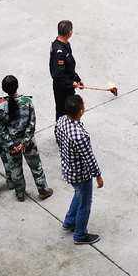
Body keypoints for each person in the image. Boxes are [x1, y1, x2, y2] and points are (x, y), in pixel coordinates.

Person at [55, 94, 103, 246]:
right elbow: (89, 158)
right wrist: (98, 176)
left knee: (78, 195)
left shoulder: (61, 121)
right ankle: (80, 235)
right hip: (81, 174)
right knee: (85, 203)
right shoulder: (79, 136)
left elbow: (58, 138)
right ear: (81, 111)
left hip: (68, 168)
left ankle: (69, 222)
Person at [0, 75, 53, 203]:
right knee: (36, 166)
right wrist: (24, 142)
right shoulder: (27, 102)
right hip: (28, 143)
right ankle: (43, 190)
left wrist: (12, 144)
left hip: (12, 144)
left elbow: (1, 129)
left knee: (16, 169)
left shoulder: (1, 107)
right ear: (17, 86)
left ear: (4, 89)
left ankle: (20, 193)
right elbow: (32, 124)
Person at [50, 19, 82, 119]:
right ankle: (59, 130)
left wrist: (77, 79)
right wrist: (71, 83)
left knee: (71, 110)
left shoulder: (66, 44)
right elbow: (58, 75)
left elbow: (69, 68)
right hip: (61, 88)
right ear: (69, 32)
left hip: (69, 85)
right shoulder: (58, 51)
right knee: (62, 111)